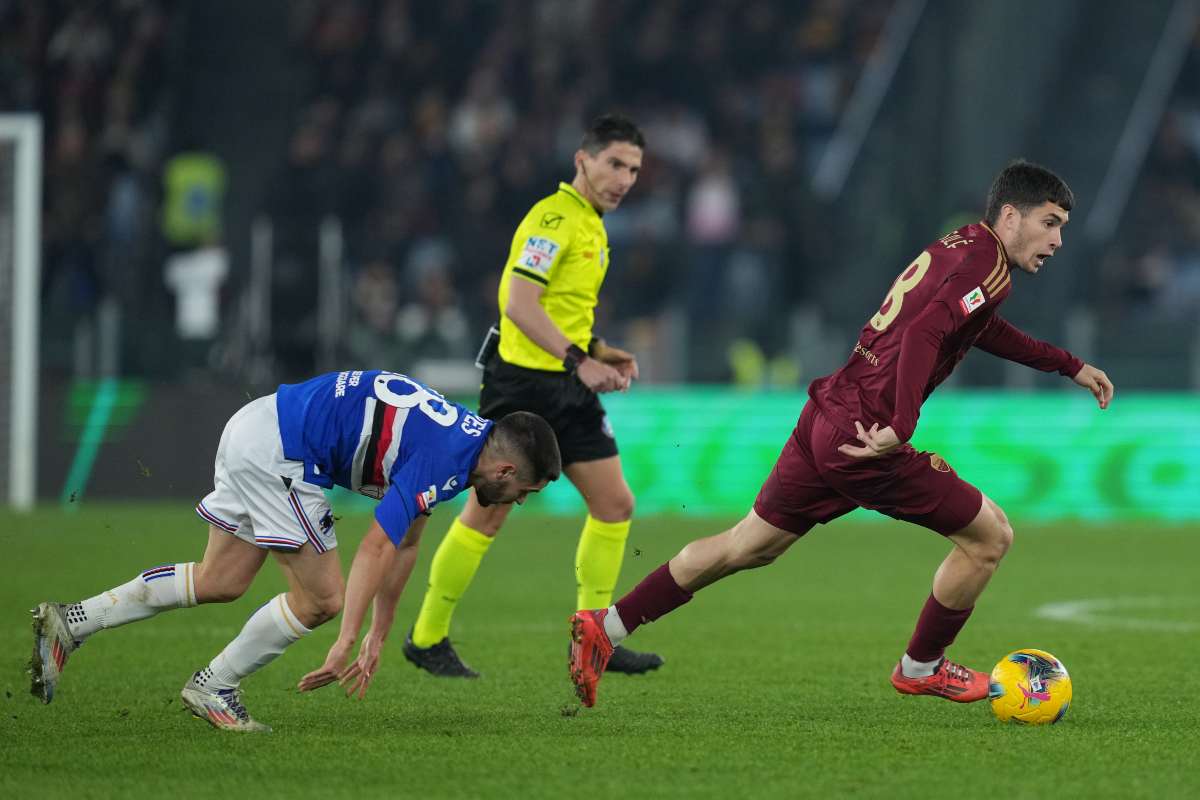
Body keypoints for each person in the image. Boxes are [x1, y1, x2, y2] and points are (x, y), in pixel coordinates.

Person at [568, 160, 1116, 707]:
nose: (1057, 240)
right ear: (1012, 216)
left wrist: (1067, 365)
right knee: (991, 537)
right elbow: (929, 328)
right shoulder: (987, 265)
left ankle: (607, 627)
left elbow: (973, 326)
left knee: (748, 546)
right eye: (1050, 223)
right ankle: (921, 667)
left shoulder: (966, 244)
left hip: (829, 412)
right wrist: (900, 424)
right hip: (865, 436)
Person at [30, 370, 561, 731]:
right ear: (507, 471)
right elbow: (376, 543)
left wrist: (379, 633)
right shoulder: (448, 458)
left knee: (220, 580)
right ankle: (214, 687)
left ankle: (72, 622)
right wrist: (347, 636)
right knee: (322, 599)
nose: (514, 504)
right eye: (523, 494)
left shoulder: (462, 441)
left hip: (258, 424)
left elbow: (406, 541)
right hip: (281, 452)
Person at [403, 113, 663, 678]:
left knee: (615, 504)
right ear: (582, 160)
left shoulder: (593, 223)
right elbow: (518, 303)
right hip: (521, 386)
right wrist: (581, 361)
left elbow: (558, 307)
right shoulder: (553, 218)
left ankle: (591, 636)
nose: (624, 178)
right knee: (488, 512)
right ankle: (426, 636)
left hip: (568, 382)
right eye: (614, 164)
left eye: (634, 170)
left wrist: (597, 348)